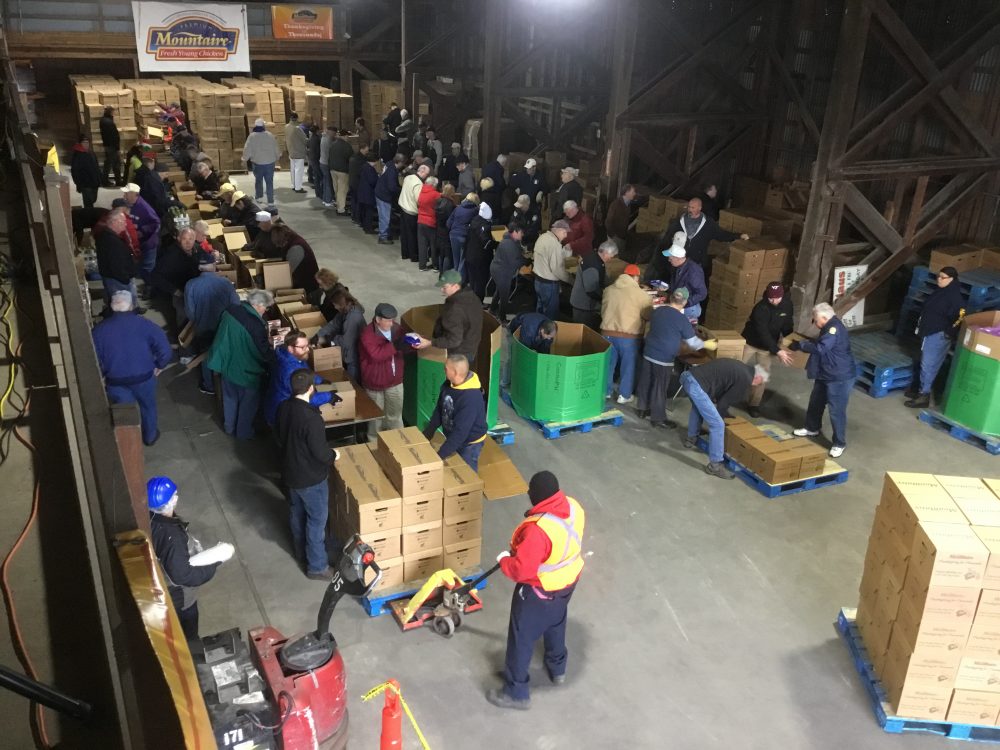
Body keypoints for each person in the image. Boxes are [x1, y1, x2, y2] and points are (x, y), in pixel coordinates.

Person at [487, 470, 584, 710]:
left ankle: (516, 692)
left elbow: (522, 570)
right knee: (556, 622)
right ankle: (557, 667)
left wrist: (504, 561)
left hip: (539, 592)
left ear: (536, 496)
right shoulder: (573, 507)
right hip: (567, 582)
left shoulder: (538, 531)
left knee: (521, 638)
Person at [147, 476, 234, 640]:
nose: (177, 498)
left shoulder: (150, 520)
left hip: (161, 590)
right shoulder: (171, 538)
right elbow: (183, 576)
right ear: (170, 502)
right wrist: (213, 564)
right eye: (174, 496)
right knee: (188, 633)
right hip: (180, 598)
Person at [275, 369, 340, 581]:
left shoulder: (283, 407)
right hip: (311, 479)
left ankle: (301, 553)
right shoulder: (312, 419)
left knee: (297, 514)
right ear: (311, 389)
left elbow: (280, 436)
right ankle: (317, 566)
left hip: (290, 473)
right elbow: (321, 454)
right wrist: (334, 455)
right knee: (317, 521)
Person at [92, 290, 172, 446]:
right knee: (148, 407)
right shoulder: (146, 325)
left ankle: (129, 444)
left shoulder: (99, 330)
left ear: (111, 306)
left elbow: (95, 357)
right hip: (144, 377)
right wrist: (159, 365)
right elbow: (165, 350)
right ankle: (150, 437)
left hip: (115, 381)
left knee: (125, 413)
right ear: (131, 306)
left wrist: (101, 375)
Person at [781, 302, 856, 458]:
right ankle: (812, 427)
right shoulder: (828, 326)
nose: (814, 322)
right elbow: (821, 344)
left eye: (815, 319)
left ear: (824, 317)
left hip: (838, 377)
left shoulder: (833, 329)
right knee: (816, 402)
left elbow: (821, 348)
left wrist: (800, 346)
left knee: (836, 411)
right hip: (826, 372)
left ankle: (839, 443)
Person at [636, 288, 714, 428]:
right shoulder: (682, 319)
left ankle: (642, 409)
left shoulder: (658, 310)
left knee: (646, 381)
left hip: (649, 352)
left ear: (671, 298)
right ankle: (658, 418)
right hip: (663, 357)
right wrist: (707, 344)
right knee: (660, 387)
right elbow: (693, 343)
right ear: (684, 302)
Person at [207, 289, 276, 440]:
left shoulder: (231, 310)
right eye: (265, 307)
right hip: (247, 372)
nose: (265, 311)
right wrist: (275, 352)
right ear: (258, 305)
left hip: (227, 365)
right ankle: (244, 433)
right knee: (248, 405)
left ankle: (229, 427)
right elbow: (263, 353)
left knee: (229, 399)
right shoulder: (256, 325)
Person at [681, 359, 767, 479]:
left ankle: (691, 439)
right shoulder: (746, 379)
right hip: (696, 386)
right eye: (759, 383)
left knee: (698, 406)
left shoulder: (742, 368)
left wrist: (724, 412)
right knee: (717, 425)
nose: (756, 386)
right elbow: (723, 403)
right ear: (758, 378)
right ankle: (715, 466)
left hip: (688, 377)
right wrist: (720, 419)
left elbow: (723, 393)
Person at [904, 266, 964, 409]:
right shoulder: (940, 292)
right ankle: (920, 391)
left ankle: (924, 395)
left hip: (938, 335)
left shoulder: (955, 298)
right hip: (929, 333)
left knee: (929, 365)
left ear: (951, 279)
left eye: (943, 277)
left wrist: (947, 333)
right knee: (925, 363)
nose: (939, 279)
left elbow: (959, 318)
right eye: (938, 276)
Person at [423, 354, 488, 471]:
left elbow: (461, 432)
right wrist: (428, 433)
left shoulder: (470, 398)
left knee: (467, 473)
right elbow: (440, 409)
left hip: (470, 443)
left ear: (455, 373)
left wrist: (440, 455)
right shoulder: (448, 384)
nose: (443, 369)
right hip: (455, 436)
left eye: (446, 368)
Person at [185, 261, 239, 395]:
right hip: (223, 326)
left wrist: (199, 320)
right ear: (214, 267)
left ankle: (209, 385)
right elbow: (236, 305)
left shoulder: (191, 284)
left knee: (206, 355)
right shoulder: (225, 283)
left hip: (203, 327)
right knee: (224, 352)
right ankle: (224, 384)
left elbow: (190, 312)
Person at [601, 263, 652, 404]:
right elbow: (647, 315)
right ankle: (624, 395)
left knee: (608, 365)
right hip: (628, 337)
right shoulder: (642, 295)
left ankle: (605, 392)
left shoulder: (609, 290)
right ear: (636, 278)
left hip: (607, 334)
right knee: (628, 366)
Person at [741, 281, 794, 417]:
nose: (774, 301)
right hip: (750, 342)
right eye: (771, 298)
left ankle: (753, 404)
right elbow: (762, 332)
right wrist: (777, 350)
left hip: (767, 348)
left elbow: (787, 325)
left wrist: (791, 342)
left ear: (782, 295)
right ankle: (719, 394)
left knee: (761, 375)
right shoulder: (761, 308)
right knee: (734, 368)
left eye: (777, 298)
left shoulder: (787, 305)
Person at [264, 330, 335, 425]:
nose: (307, 349)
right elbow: (302, 398)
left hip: (285, 405)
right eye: (302, 347)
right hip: (282, 414)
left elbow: (305, 373)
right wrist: (329, 396)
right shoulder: (289, 371)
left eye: (307, 345)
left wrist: (320, 380)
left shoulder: (295, 357)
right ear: (290, 348)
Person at [413, 270, 483, 365]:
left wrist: (430, 343)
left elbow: (454, 340)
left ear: (456, 286)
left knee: (454, 373)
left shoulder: (454, 309)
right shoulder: (472, 296)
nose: (442, 290)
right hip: (471, 346)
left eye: (445, 287)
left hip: (458, 354)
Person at [359, 303, 408, 439]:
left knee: (395, 418)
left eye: (393, 320)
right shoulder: (367, 334)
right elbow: (376, 355)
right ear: (378, 319)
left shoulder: (397, 329)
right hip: (374, 385)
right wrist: (396, 345)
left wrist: (412, 343)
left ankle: (399, 444)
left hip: (394, 383)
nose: (392, 324)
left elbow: (403, 348)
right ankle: (374, 444)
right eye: (388, 320)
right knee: (375, 420)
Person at [664, 197, 747, 272]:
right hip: (679, 262)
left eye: (693, 208)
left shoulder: (708, 224)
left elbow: (722, 235)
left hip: (697, 262)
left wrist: (738, 236)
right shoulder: (679, 222)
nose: (690, 210)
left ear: (700, 208)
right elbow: (668, 239)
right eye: (689, 207)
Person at [643, 233, 707, 324]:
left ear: (678, 258)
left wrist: (684, 303)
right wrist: (666, 288)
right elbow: (677, 286)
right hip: (676, 302)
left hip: (689, 307)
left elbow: (702, 293)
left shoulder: (693, 271)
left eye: (671, 258)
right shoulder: (676, 267)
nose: (669, 260)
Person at [150, 227, 198, 329]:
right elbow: (156, 276)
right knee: (183, 317)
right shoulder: (171, 255)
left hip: (192, 289)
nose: (188, 242)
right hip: (180, 292)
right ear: (179, 239)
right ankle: (182, 335)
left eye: (191, 239)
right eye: (184, 239)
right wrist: (174, 290)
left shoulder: (195, 250)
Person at [315, 289, 366, 382]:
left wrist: (330, 339)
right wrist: (318, 334)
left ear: (340, 304)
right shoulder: (345, 310)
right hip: (348, 351)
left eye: (335, 305)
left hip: (354, 354)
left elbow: (346, 342)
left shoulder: (352, 318)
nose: (334, 307)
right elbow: (334, 324)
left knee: (352, 380)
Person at [96, 210, 138, 308]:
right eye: (123, 221)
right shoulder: (112, 241)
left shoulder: (107, 235)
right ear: (114, 222)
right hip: (118, 282)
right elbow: (116, 264)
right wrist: (125, 279)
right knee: (123, 307)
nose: (125, 224)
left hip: (114, 279)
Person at [570, 239, 616, 328]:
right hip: (583, 306)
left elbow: (604, 278)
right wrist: (606, 297)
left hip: (586, 304)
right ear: (606, 252)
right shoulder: (592, 264)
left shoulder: (596, 258)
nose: (611, 259)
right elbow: (591, 290)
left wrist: (615, 285)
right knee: (582, 331)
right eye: (611, 256)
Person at [122, 183, 161, 287]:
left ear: (134, 194)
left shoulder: (144, 207)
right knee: (141, 267)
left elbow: (156, 223)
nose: (124, 196)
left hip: (149, 244)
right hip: (140, 243)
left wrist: (142, 230)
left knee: (148, 269)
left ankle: (151, 289)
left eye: (126, 193)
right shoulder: (131, 205)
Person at [532, 220, 573, 320]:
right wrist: (571, 280)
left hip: (538, 281)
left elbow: (552, 256)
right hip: (549, 285)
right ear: (559, 230)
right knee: (550, 316)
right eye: (565, 232)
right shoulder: (554, 244)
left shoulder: (543, 237)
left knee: (540, 310)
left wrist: (566, 250)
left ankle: (537, 328)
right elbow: (557, 269)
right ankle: (548, 330)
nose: (566, 236)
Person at [489, 223, 528, 321]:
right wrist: (525, 261)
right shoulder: (509, 244)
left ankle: (492, 309)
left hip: (499, 269)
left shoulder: (511, 240)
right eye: (521, 232)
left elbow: (517, 254)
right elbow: (514, 262)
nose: (523, 234)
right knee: (504, 296)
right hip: (502, 272)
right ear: (515, 232)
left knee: (500, 290)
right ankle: (502, 318)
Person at [269, 224, 320, 293]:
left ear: (284, 240)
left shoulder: (296, 249)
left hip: (308, 288)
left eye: (279, 244)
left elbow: (287, 274)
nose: (277, 246)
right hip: (302, 281)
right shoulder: (292, 239)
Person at [243, 118, 280, 209]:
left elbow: (247, 149)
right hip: (269, 163)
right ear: (263, 126)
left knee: (258, 181)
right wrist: (277, 156)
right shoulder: (270, 135)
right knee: (269, 182)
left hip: (257, 163)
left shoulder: (252, 136)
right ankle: (270, 201)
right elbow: (276, 147)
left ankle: (259, 197)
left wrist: (244, 159)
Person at [399, 162, 430, 262]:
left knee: (404, 234)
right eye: (427, 174)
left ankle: (405, 254)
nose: (427, 177)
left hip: (403, 207)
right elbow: (418, 200)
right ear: (422, 172)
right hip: (411, 211)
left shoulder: (408, 177)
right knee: (412, 235)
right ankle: (413, 256)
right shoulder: (418, 184)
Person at [447, 193, 481, 278]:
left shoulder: (458, 208)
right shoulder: (476, 210)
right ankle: (459, 280)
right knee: (462, 260)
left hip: (453, 235)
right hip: (464, 236)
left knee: (456, 259)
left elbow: (448, 223)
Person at [466, 202, 495, 300]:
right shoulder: (484, 225)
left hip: (470, 255)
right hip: (480, 258)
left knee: (473, 280)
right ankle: (478, 302)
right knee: (480, 281)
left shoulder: (473, 220)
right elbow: (486, 242)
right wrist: (497, 244)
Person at [375, 154, 404, 244]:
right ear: (400, 162)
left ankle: (385, 233)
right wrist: (401, 190)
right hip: (384, 195)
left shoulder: (389, 163)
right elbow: (392, 187)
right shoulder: (392, 170)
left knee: (383, 216)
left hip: (380, 192)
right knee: (385, 217)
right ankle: (383, 237)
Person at [509, 158, 546, 226]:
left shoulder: (540, 177)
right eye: (527, 168)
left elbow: (546, 187)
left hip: (534, 205)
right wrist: (516, 188)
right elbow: (511, 181)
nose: (527, 170)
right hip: (523, 204)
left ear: (534, 168)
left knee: (534, 223)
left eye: (529, 168)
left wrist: (541, 192)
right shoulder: (522, 175)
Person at [417, 175, 442, 271]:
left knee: (422, 244)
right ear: (433, 184)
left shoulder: (421, 191)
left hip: (420, 221)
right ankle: (435, 265)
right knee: (433, 245)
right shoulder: (435, 194)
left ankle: (422, 265)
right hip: (431, 222)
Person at [70, 136, 102, 209]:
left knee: (93, 199)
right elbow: (74, 170)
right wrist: (78, 183)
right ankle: (88, 215)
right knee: (88, 203)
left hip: (94, 182)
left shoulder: (91, 153)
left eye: (87, 142)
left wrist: (99, 178)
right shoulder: (78, 155)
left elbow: (96, 167)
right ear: (80, 144)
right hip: (85, 183)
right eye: (84, 143)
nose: (86, 144)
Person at [605, 184, 636, 254]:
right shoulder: (615, 204)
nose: (634, 194)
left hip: (622, 237)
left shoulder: (628, 204)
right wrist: (613, 236)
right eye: (633, 192)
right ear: (627, 192)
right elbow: (608, 221)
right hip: (615, 238)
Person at [329, 130, 354, 215]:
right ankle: (341, 209)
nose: (348, 138)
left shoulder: (333, 144)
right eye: (347, 136)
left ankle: (338, 205)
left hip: (332, 170)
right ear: (344, 136)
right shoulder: (347, 146)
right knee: (342, 191)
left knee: (336, 189)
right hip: (343, 171)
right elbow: (351, 158)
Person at [435, 185, 458, 271]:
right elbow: (451, 219)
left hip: (439, 229)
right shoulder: (450, 204)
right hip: (447, 231)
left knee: (441, 253)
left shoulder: (438, 201)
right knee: (447, 254)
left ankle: (441, 272)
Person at [356, 152, 380, 233]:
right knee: (369, 212)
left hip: (362, 192)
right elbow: (372, 181)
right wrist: (377, 178)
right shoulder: (370, 169)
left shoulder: (364, 166)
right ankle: (368, 228)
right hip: (368, 193)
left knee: (364, 211)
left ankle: (364, 225)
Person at [285, 112, 308, 193]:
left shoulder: (286, 126)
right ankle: (298, 188)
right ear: (297, 118)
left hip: (291, 151)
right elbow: (304, 140)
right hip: (298, 152)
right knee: (299, 171)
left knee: (293, 170)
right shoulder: (297, 128)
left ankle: (294, 185)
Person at [99, 107, 122, 187]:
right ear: (110, 112)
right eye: (113, 112)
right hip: (112, 146)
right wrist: (117, 148)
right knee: (116, 164)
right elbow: (114, 136)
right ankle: (118, 181)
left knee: (108, 163)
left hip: (107, 145)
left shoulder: (103, 120)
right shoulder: (109, 122)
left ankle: (105, 180)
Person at [481, 154, 507, 218]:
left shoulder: (487, 166)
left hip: (483, 192)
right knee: (494, 215)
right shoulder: (499, 168)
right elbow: (501, 183)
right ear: (503, 163)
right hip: (494, 195)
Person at [348, 143, 369, 222]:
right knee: (358, 201)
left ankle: (353, 216)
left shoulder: (353, 156)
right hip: (357, 183)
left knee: (354, 200)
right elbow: (362, 172)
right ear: (361, 149)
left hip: (352, 181)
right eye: (366, 151)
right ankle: (357, 218)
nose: (367, 152)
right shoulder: (361, 160)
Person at [307, 125, 323, 197]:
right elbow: (318, 150)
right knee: (319, 176)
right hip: (316, 159)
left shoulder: (311, 138)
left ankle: (318, 193)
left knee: (316, 176)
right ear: (317, 130)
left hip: (312, 158)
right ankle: (320, 192)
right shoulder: (317, 139)